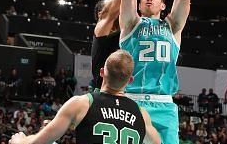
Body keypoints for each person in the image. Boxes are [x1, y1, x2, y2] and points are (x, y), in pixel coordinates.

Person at [119, 0, 191, 144]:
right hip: (132, 101)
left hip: (164, 104)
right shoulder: (131, 24)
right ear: (140, 5)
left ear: (163, 5)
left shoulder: (173, 26)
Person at [9, 50, 160, 144]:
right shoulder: (141, 114)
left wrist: (19, 141)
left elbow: (38, 142)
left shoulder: (82, 104)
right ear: (130, 80)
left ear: (101, 72)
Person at [91, 0, 148, 90]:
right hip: (103, 93)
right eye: (113, 4)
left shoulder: (127, 31)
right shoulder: (101, 29)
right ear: (101, 13)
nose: (118, 6)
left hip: (125, 93)